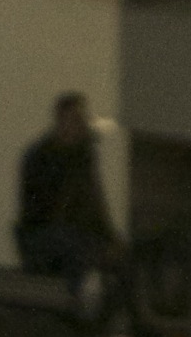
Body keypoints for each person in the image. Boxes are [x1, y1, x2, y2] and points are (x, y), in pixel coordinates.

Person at [14, 90, 121, 299]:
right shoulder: (39, 156)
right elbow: (41, 210)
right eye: (75, 119)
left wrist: (111, 239)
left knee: (118, 257)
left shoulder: (83, 157)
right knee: (75, 248)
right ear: (60, 120)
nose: (80, 125)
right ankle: (69, 304)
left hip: (75, 234)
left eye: (82, 119)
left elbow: (95, 203)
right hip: (41, 235)